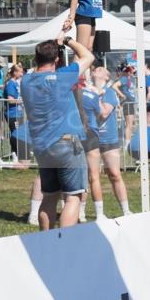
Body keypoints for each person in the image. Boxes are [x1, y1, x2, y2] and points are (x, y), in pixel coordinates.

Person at [19, 32, 94, 230]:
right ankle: (64, 243)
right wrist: (68, 41)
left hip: (42, 147)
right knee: (73, 197)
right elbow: (88, 56)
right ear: (57, 60)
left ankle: (46, 239)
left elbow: (43, 72)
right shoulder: (62, 77)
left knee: (49, 197)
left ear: (36, 58)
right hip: (66, 143)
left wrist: (56, 44)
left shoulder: (25, 81)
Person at [80, 65, 130, 219]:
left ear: (107, 77)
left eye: (101, 69)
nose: (96, 69)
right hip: (90, 137)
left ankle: (126, 211)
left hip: (108, 138)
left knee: (114, 174)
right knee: (88, 176)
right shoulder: (86, 91)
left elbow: (104, 113)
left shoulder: (109, 92)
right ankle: (81, 212)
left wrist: (95, 94)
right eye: (96, 68)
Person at [3, 63, 24, 159]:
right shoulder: (10, 84)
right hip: (12, 113)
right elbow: (10, 100)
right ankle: (15, 153)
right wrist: (21, 101)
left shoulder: (15, 83)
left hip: (18, 113)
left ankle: (19, 152)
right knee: (16, 133)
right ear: (15, 72)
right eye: (20, 72)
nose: (22, 74)